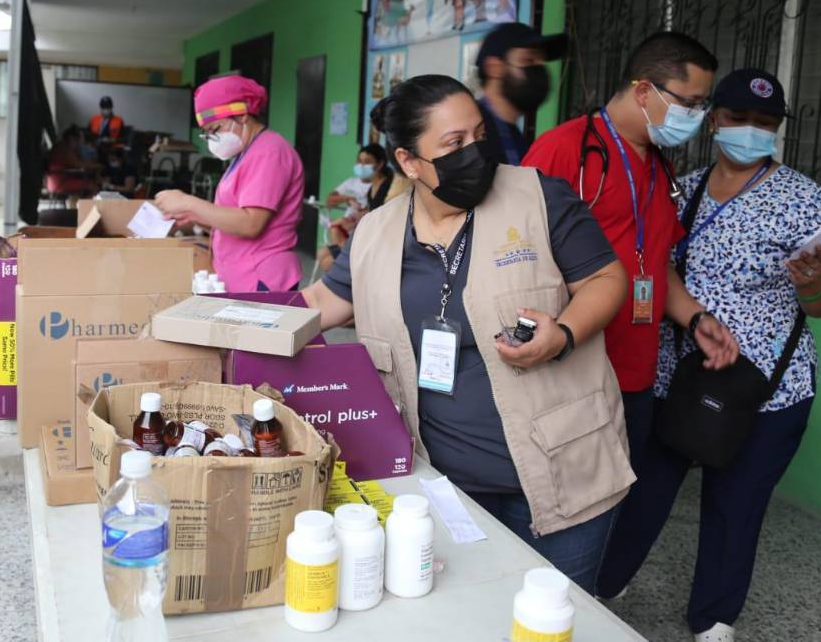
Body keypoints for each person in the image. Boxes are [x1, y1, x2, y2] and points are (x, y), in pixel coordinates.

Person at [301, 75, 634, 592]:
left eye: (479, 136)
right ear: (409, 162)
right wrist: (222, 323)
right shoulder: (376, 231)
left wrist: (564, 332)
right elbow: (321, 303)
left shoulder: (539, 198)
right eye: (454, 144)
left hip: (560, 471)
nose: (475, 152)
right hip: (437, 483)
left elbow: (605, 279)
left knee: (552, 616)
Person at [595, 68, 821, 642]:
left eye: (765, 123)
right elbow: (652, 267)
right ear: (714, 121)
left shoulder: (804, 199)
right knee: (643, 490)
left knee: (736, 507)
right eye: (738, 119)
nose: (751, 131)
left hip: (766, 388)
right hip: (677, 377)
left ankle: (714, 618)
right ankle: (606, 582)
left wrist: (812, 282)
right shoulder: (679, 189)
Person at [523, 32, 739, 485]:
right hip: (574, 372)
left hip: (637, 375)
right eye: (691, 103)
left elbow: (655, 261)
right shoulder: (564, 151)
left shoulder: (659, 165)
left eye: (703, 105)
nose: (698, 117)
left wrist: (696, 319)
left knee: (622, 508)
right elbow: (517, 258)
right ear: (644, 91)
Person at [153, 75, 304, 292]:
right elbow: (232, 217)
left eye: (215, 129)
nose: (212, 139)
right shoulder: (246, 154)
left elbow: (251, 224)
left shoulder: (269, 152)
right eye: (207, 134)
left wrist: (188, 202)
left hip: (260, 276)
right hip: (239, 272)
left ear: (241, 116)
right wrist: (193, 217)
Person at [474, 22, 567, 166]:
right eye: (528, 60)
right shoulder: (469, 133)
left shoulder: (518, 141)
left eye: (541, 62)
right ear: (494, 67)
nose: (539, 69)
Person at [317, 143, 407, 272]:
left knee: (328, 263)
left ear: (380, 164)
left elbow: (386, 217)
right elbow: (370, 212)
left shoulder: (389, 186)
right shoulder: (371, 188)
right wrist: (357, 215)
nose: (361, 166)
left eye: (367, 162)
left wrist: (361, 220)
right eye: (359, 161)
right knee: (323, 253)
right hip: (362, 233)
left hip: (377, 242)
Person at [45, 126, 100, 195]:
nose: (78, 144)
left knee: (90, 180)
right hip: (60, 182)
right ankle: (87, 205)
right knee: (92, 186)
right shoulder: (64, 149)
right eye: (77, 141)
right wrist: (97, 165)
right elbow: (77, 164)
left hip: (56, 181)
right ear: (71, 138)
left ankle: (83, 203)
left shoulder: (61, 145)